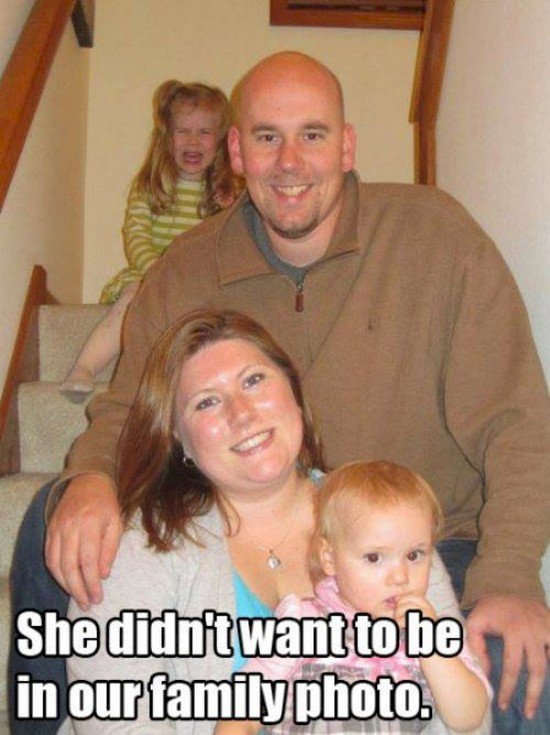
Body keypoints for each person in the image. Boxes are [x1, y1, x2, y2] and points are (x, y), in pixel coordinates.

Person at [10, 51, 549, 734]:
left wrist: (509, 575)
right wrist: (91, 476)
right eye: (267, 137)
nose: (289, 162)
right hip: (240, 526)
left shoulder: (439, 240)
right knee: (55, 515)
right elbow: (129, 409)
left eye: (312, 135)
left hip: (417, 546)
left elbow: (518, 421)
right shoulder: (185, 269)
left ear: (346, 145)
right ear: (237, 152)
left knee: (521, 683)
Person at [56, 312, 470, 734]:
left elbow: (464, 716)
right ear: (179, 439)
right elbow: (115, 716)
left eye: (254, 381)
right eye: (207, 402)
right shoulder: (141, 545)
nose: (242, 413)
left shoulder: (384, 517)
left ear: (294, 391)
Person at [216, 460, 492, 734]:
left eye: (414, 555)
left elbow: (467, 718)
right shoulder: (304, 621)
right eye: (374, 557)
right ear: (330, 559)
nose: (400, 577)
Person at [60, 80, 242, 402]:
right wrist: (155, 270)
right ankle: (84, 368)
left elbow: (234, 244)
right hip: (150, 274)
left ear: (221, 140)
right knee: (131, 300)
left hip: (199, 280)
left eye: (204, 132)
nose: (193, 140)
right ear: (167, 137)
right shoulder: (150, 186)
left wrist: (232, 208)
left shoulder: (228, 193)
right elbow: (136, 234)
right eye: (183, 131)